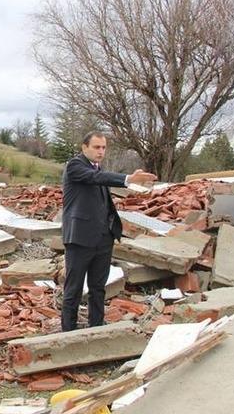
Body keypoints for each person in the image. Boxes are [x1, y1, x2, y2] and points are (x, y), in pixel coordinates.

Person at [60, 132, 157, 332]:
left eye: (103, 148)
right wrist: (129, 178)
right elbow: (95, 178)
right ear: (84, 147)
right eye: (96, 147)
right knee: (74, 289)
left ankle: (96, 328)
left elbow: (100, 187)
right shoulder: (75, 166)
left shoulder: (98, 169)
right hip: (79, 239)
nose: (101, 152)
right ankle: (67, 332)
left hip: (103, 239)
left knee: (98, 288)